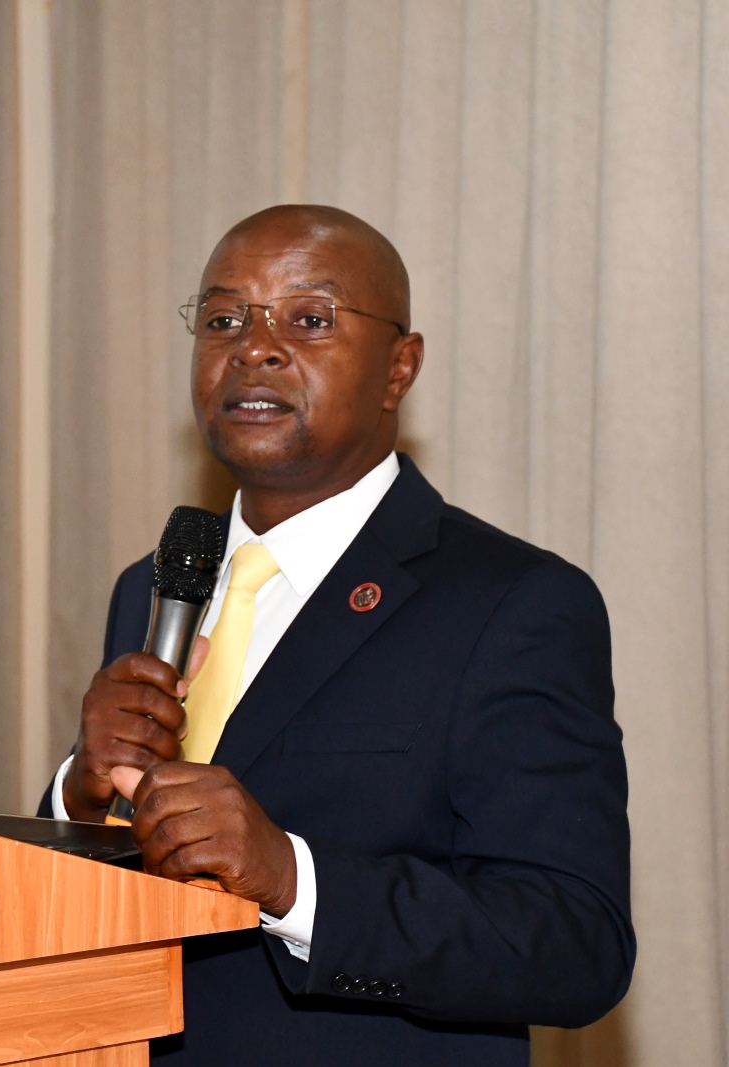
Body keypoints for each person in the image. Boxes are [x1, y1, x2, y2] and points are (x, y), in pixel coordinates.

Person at [37, 205, 634, 1065]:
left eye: (309, 320)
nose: (255, 346)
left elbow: (577, 944)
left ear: (400, 368)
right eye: (223, 318)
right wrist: (79, 794)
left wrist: (292, 879)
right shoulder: (155, 585)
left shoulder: (514, 602)